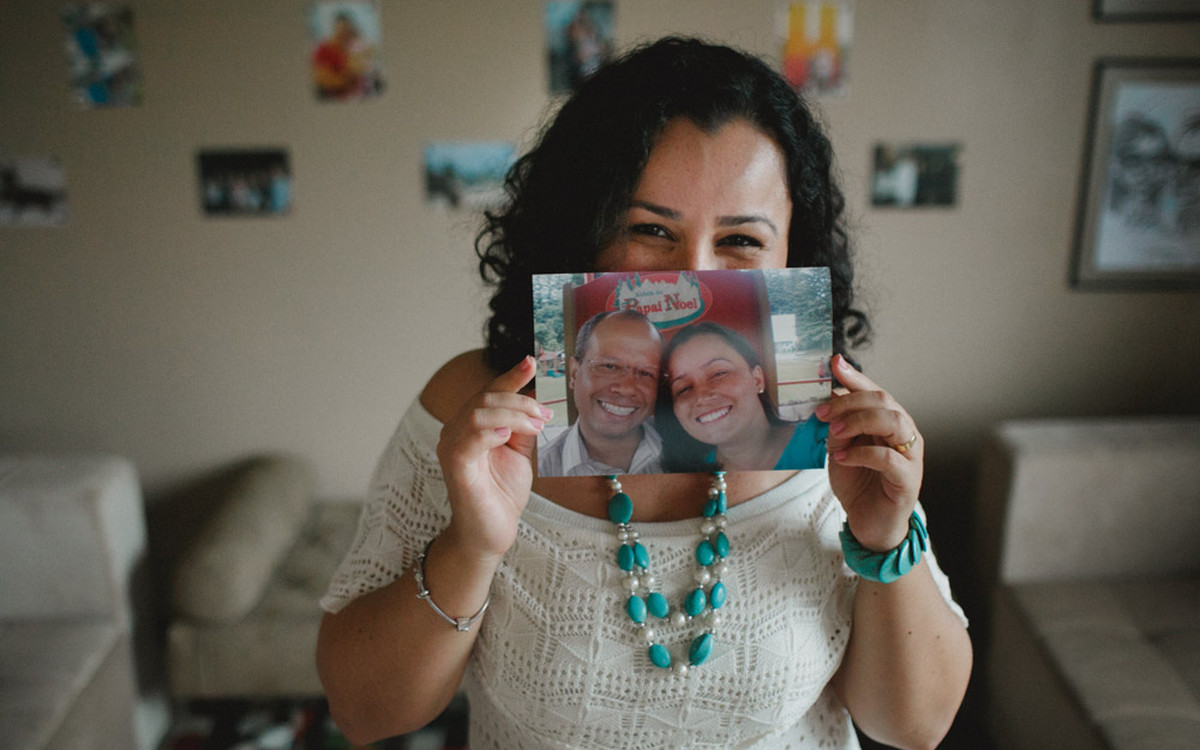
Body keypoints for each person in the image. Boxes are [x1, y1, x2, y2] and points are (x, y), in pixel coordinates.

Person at [317, 36, 972, 750]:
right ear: (582, 230)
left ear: (792, 253)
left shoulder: (839, 428)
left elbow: (915, 726)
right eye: (650, 230)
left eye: (742, 241)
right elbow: (364, 712)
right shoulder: (474, 410)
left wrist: (885, 535)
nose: (692, 275)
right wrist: (470, 546)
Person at [659, 321, 827, 472]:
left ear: (757, 380)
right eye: (684, 389)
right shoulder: (685, 473)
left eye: (719, 373)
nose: (701, 396)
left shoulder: (825, 443)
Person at [537, 310, 665, 476]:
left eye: (645, 373)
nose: (627, 388)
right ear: (574, 373)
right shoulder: (534, 474)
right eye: (609, 367)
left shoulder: (691, 453)